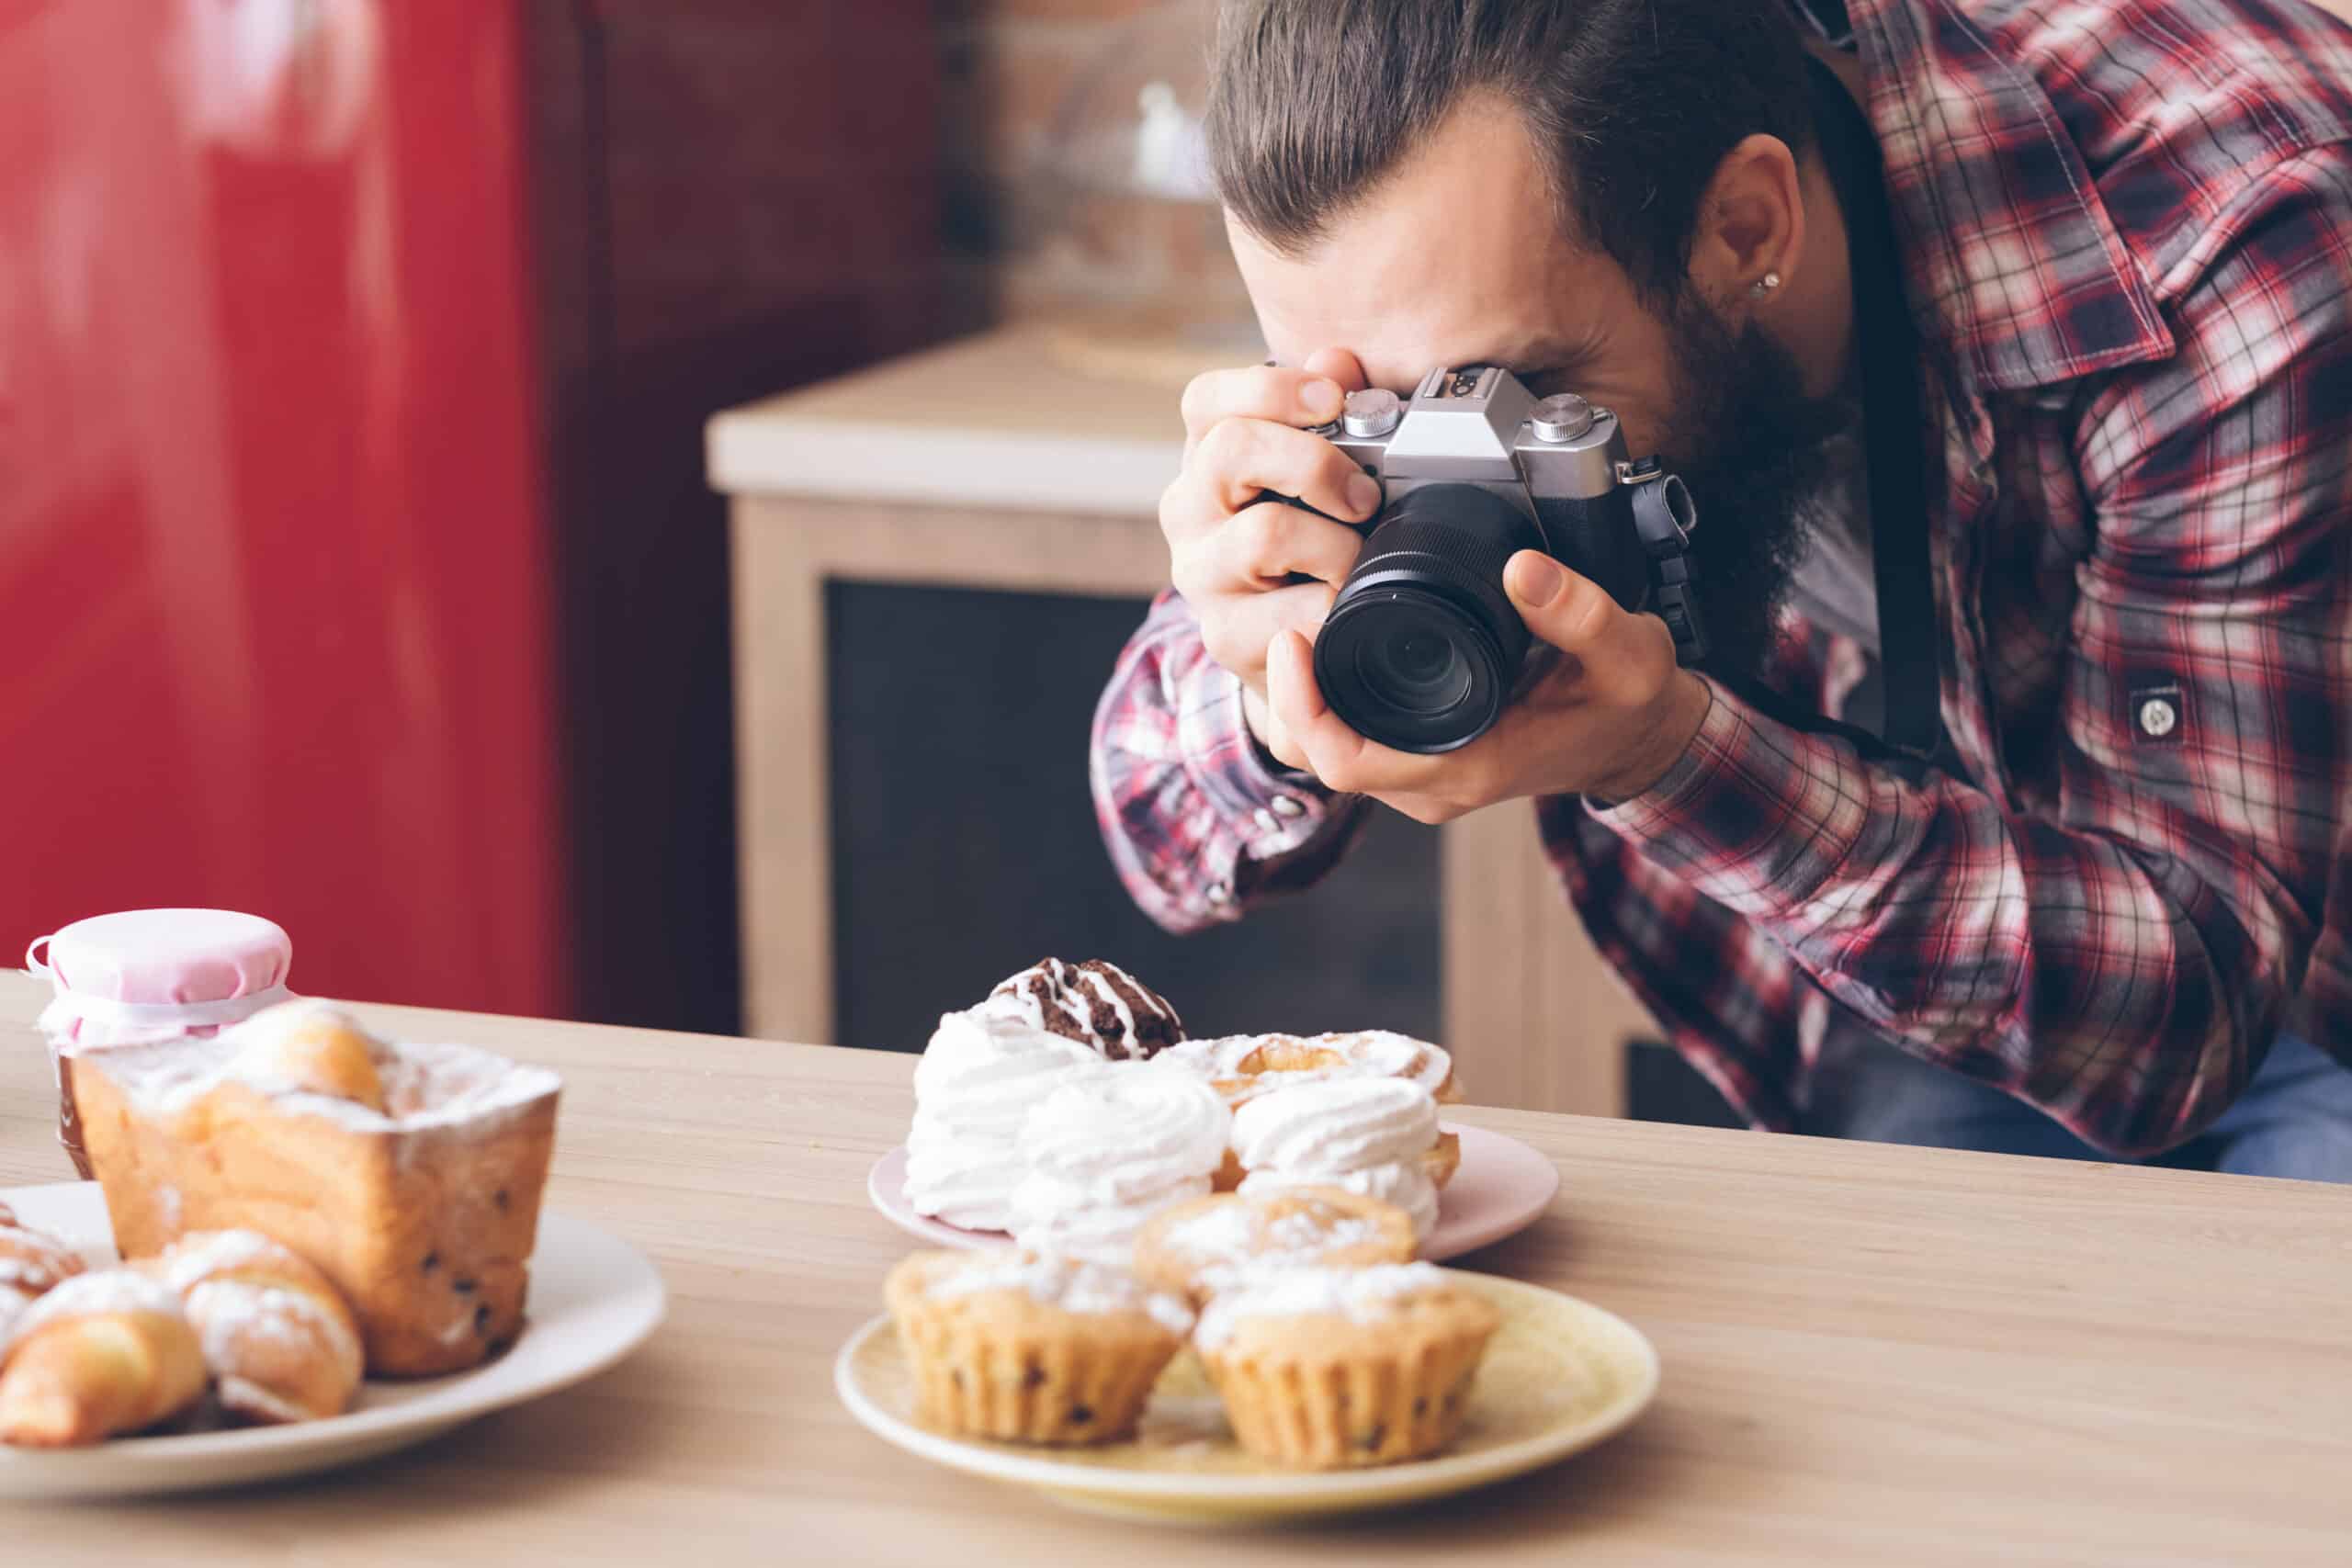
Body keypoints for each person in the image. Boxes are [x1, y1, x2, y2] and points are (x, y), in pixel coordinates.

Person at [1089, 0, 2352, 1180]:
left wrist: (1669, 760)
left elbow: (2197, 1019)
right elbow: (1152, 815)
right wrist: (1270, 692)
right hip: (1976, 925)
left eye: (1502, 400)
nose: (1438, 461)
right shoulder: (1445, 261)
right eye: (1379, 415)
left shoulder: (2223, 243)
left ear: (1749, 226)